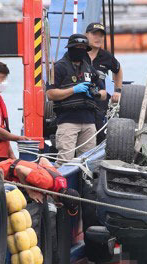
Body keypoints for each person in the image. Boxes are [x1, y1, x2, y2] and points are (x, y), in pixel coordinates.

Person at [46, 34, 106, 165]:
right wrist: (74, 90)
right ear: (70, 48)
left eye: (83, 47)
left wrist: (96, 95)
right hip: (68, 121)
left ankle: (84, 185)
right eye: (77, 47)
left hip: (89, 121)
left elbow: (104, 93)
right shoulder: (58, 68)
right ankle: (60, 184)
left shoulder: (89, 69)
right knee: (64, 160)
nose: (80, 50)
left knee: (87, 161)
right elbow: (50, 94)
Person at [0, 157, 80, 214]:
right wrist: (31, 192)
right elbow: (19, 169)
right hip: (1, 171)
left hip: (11, 166)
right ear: (60, 203)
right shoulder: (45, 182)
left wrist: (37, 172)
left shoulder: (61, 179)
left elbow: (43, 160)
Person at [85, 22, 124, 144]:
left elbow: (118, 70)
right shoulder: (78, 54)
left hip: (100, 101)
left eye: (101, 35)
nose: (98, 38)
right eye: (94, 34)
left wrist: (117, 91)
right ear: (86, 35)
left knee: (99, 133)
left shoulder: (106, 56)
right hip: (80, 100)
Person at [0, 61, 28, 161]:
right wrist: (18, 138)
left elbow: (4, 129)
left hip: (2, 154)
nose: (5, 81)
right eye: (2, 78)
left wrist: (12, 157)